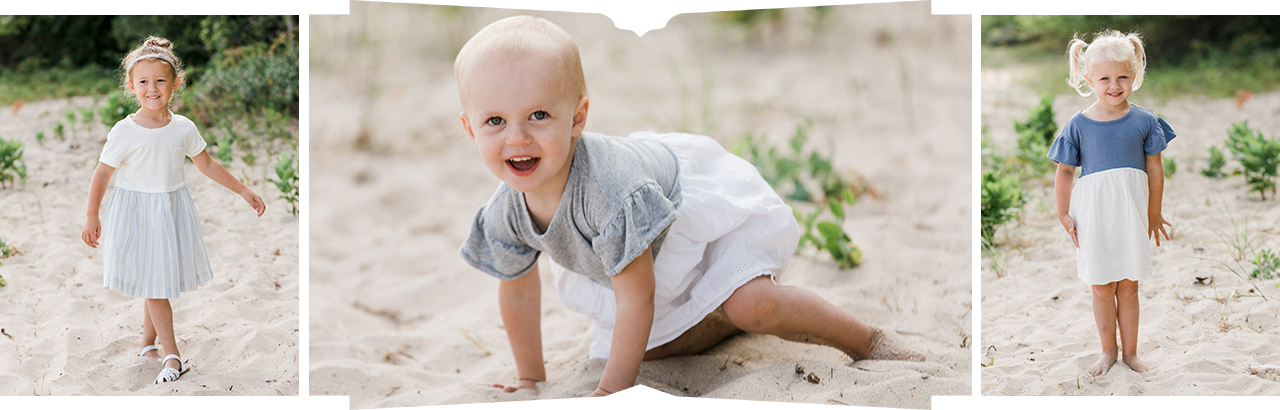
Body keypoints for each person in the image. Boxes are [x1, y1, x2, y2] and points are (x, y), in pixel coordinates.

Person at [455, 16, 923, 397]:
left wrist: (611, 394)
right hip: (631, 266)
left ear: (577, 117)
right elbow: (517, 291)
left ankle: (866, 339)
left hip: (684, 224)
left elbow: (638, 296)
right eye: (495, 120)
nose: (518, 136)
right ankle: (716, 318)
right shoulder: (506, 211)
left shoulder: (612, 193)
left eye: (539, 115)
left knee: (755, 308)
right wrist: (530, 378)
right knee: (650, 349)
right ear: (471, 129)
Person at [81, 36, 266, 384]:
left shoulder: (183, 128)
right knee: (155, 283)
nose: (153, 89)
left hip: (170, 209)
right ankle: (172, 355)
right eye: (144, 82)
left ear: (176, 83)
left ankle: (146, 342)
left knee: (158, 277)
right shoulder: (124, 131)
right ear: (131, 85)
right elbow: (103, 172)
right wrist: (93, 214)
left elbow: (207, 164)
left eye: (161, 81)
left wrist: (243, 189)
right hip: (136, 211)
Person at [1049, 30, 1174, 377]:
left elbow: (1154, 169)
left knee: (1129, 283)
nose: (1114, 85)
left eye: (1122, 77)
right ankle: (1108, 350)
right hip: (1094, 216)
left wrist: (1154, 212)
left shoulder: (1146, 122)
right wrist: (1064, 213)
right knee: (1102, 286)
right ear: (1088, 78)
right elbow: (1064, 172)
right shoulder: (1078, 125)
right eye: (1104, 78)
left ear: (1134, 76)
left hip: (1131, 213)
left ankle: (1131, 353)